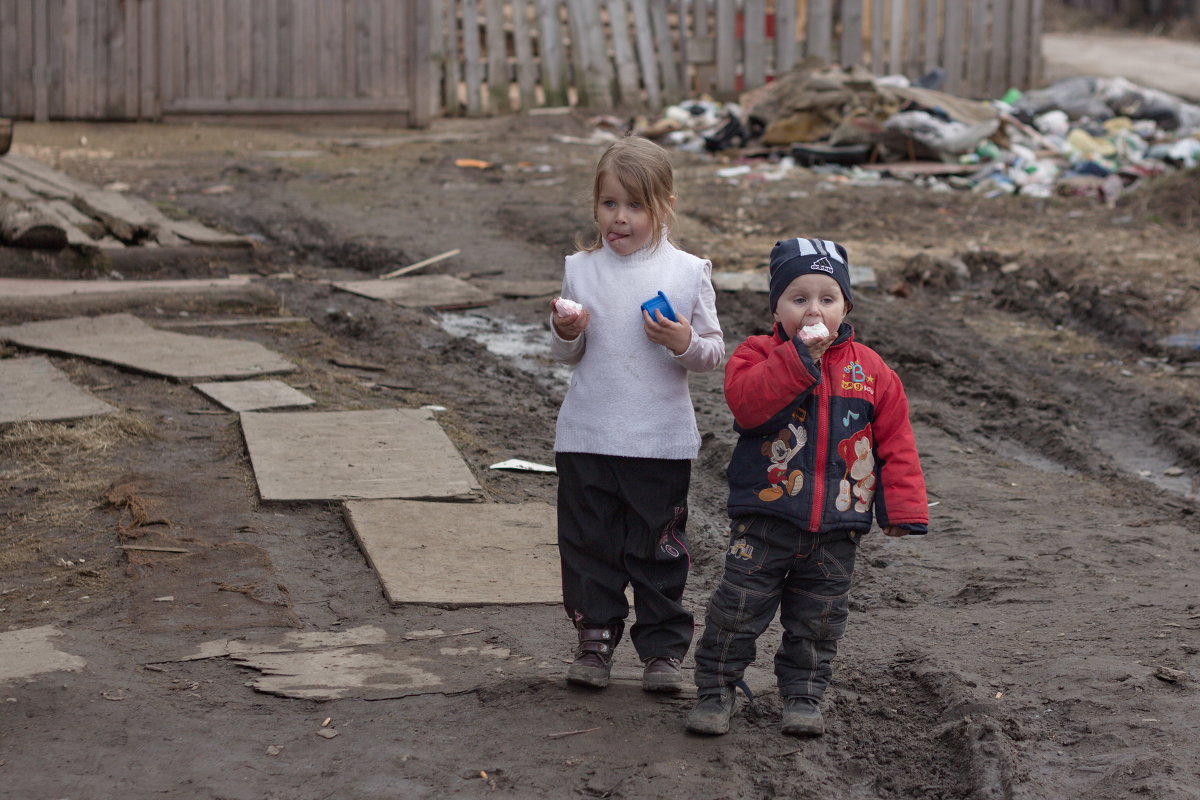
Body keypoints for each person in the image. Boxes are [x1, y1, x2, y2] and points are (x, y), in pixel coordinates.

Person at [686, 237, 928, 736]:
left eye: (827, 298)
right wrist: (800, 359)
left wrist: (901, 510)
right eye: (798, 298)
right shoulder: (757, 354)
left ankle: (803, 696)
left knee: (819, 623)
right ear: (776, 305)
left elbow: (895, 443)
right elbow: (748, 406)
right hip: (764, 520)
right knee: (736, 612)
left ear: (846, 306)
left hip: (838, 528)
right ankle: (715, 691)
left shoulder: (872, 371)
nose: (813, 309)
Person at [549, 136, 725, 693]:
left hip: (658, 442)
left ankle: (662, 653)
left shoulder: (686, 271)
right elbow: (565, 355)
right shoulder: (581, 269)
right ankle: (595, 639)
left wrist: (681, 340)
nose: (619, 218)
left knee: (657, 550)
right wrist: (565, 330)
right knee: (588, 546)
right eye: (608, 204)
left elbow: (713, 353)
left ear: (664, 205)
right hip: (587, 436)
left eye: (634, 205)